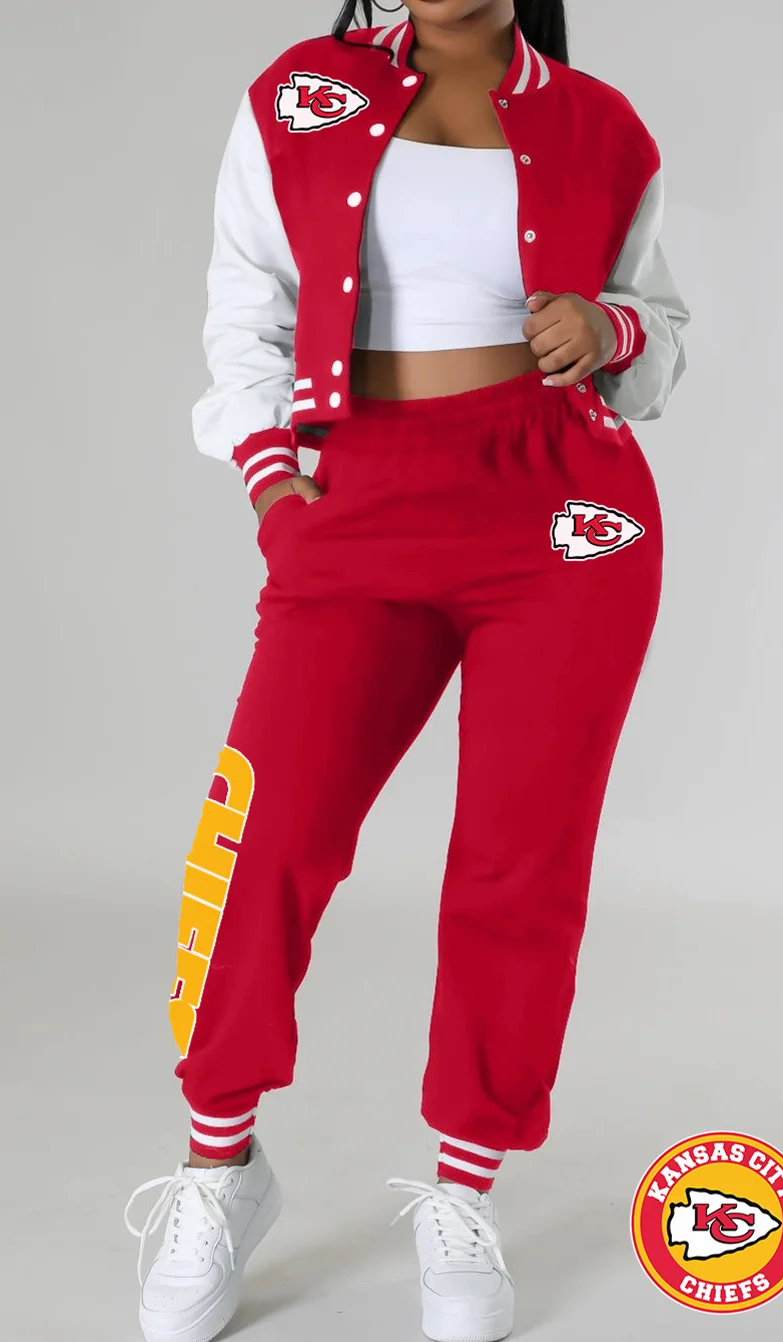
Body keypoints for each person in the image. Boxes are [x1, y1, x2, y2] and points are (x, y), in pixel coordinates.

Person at [123, 2, 690, 1339]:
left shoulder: (600, 125)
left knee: (518, 860)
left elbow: (660, 335)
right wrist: (275, 486)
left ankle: (464, 1185)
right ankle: (220, 1164)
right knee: (264, 835)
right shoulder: (298, 94)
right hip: (360, 498)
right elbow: (245, 298)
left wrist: (608, 330)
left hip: (561, 512)